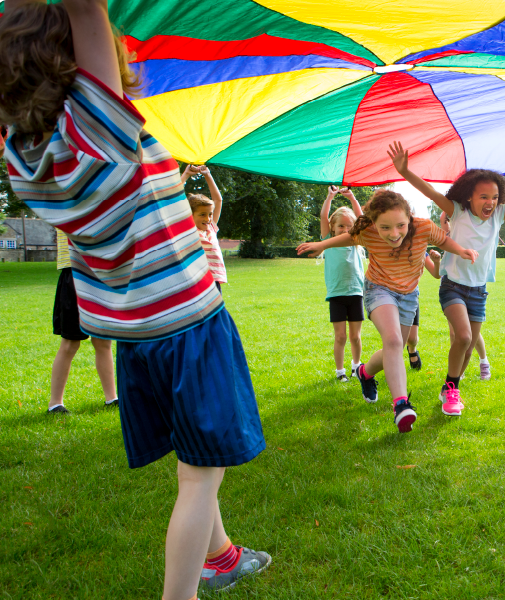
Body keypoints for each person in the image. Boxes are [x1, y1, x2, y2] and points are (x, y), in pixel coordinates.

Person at [0, 3, 270, 599]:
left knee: (192, 451)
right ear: (73, 66)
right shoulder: (99, 133)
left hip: (136, 334)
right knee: (201, 477)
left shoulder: (22, 160)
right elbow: (86, 8)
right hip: (188, 325)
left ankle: (222, 557)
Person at [389, 141, 505, 415]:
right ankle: (453, 388)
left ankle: (450, 388)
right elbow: (428, 190)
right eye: (484, 196)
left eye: (495, 196)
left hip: (478, 291)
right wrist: (405, 171)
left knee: (466, 349)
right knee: (462, 337)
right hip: (453, 286)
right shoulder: (457, 212)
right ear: (469, 198)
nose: (490, 202)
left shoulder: (498, 215)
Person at [296, 190, 477, 432]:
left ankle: (364, 373)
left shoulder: (423, 227)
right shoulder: (368, 232)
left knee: (395, 348)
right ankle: (401, 405)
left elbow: (443, 241)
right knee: (392, 340)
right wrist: (321, 244)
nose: (394, 234)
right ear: (374, 225)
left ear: (409, 218)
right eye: (385, 228)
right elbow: (347, 238)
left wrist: (461, 251)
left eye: (400, 225)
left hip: (408, 295)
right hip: (378, 290)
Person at [48, 228, 119, 414]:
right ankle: (55, 403)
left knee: (103, 341)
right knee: (70, 342)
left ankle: (112, 398)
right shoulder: (64, 204)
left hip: (100, 274)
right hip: (74, 273)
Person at [318, 185, 365, 382]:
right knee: (340, 337)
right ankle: (340, 372)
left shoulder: (356, 240)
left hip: (356, 293)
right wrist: (330, 197)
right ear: (333, 227)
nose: (345, 229)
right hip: (337, 295)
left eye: (348, 226)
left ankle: (356, 367)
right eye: (340, 226)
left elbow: (363, 219)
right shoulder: (328, 241)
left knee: (355, 336)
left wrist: (352, 197)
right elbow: (323, 217)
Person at [440, 212, 491, 381]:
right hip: (453, 286)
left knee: (469, 335)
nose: (446, 225)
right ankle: (455, 375)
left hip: (474, 286)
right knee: (458, 334)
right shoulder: (447, 237)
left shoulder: (466, 228)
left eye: (447, 221)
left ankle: (483, 361)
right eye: (444, 222)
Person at [182, 165, 227, 292]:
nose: (208, 219)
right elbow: (171, 200)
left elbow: (218, 200)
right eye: (202, 214)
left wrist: (208, 174)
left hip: (214, 282)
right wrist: (185, 175)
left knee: (216, 311)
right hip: (195, 281)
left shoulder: (211, 228)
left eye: (210, 214)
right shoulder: (188, 229)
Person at [406, 249, 442, 371]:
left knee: (412, 339)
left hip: (411, 296)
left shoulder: (419, 248)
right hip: (389, 297)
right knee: (394, 338)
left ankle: (412, 349)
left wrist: (436, 262)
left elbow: (437, 274)